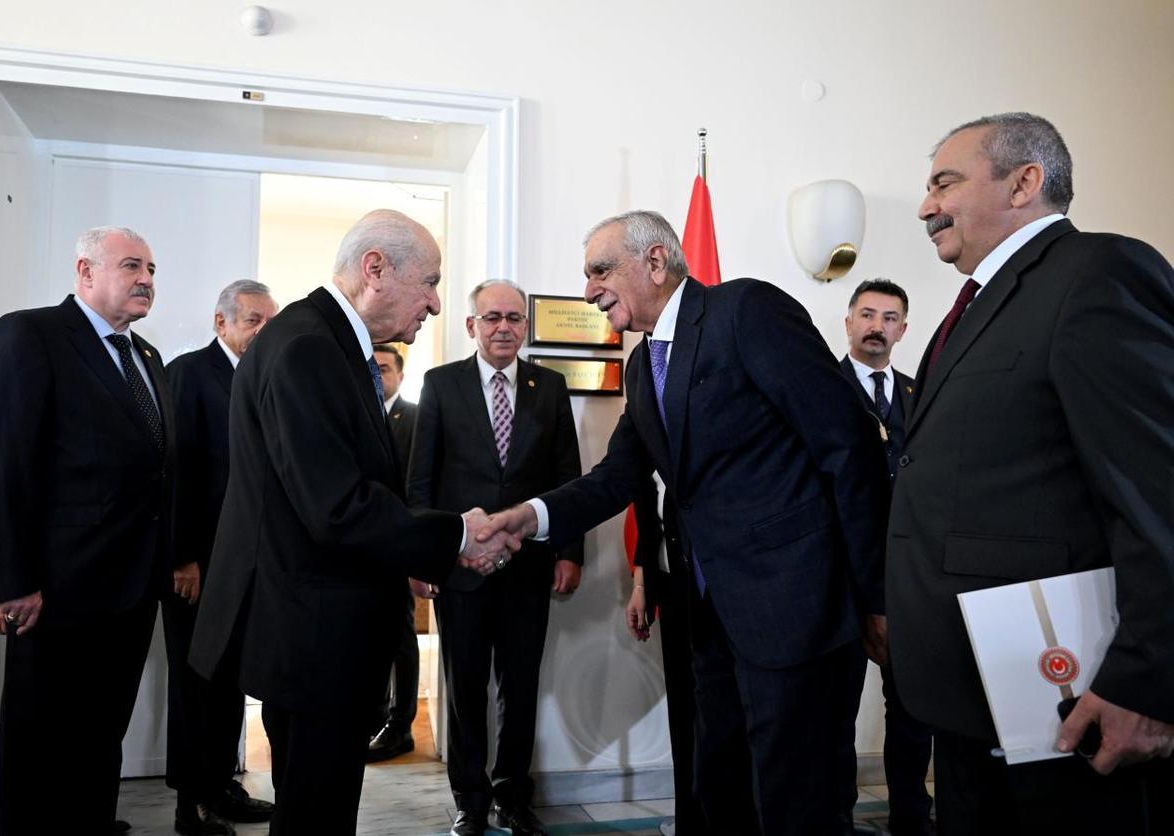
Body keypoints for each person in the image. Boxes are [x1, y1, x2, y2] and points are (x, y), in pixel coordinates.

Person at [480, 211, 890, 835]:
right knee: (718, 789)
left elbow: (847, 444)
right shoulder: (646, 367)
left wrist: (876, 595)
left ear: (654, 261)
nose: (588, 290)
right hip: (709, 618)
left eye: (599, 269)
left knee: (794, 799)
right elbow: (616, 478)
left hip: (794, 610)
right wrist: (527, 517)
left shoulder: (744, 310)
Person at [187, 209, 519, 836]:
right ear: (376, 269)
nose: (436, 304)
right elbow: (336, 507)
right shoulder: (309, 346)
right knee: (317, 817)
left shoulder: (320, 342)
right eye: (429, 282)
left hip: (316, 632)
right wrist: (454, 536)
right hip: (312, 637)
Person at [889, 112, 1174, 834]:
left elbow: (1157, 491)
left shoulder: (1099, 274)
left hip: (1074, 701)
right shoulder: (977, 306)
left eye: (944, 182)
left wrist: (1148, 684)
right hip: (973, 694)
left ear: (1024, 182)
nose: (927, 206)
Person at [0, 226, 173, 835]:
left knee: (98, 739)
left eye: (153, 270)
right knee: (39, 745)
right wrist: (13, 582)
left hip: (132, 590)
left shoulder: (146, 356)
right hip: (54, 593)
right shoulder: (29, 335)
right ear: (85, 273)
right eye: (132, 265)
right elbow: (1, 465)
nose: (146, 280)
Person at [407, 279, 583, 836]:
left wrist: (569, 551)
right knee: (464, 688)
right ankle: (470, 799)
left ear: (525, 326)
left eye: (513, 318)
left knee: (521, 685)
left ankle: (512, 795)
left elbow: (566, 478)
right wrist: (423, 557)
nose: (503, 327)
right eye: (492, 318)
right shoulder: (440, 384)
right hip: (461, 569)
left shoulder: (549, 387)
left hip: (530, 567)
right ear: (471, 326)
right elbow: (421, 481)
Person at [164, 279, 278, 834]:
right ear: (222, 323)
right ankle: (193, 802)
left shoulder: (265, 379)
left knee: (231, 679)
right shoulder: (190, 373)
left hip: (246, 563)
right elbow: (176, 469)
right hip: (199, 565)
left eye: (268, 323)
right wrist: (184, 557)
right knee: (195, 682)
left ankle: (223, 783)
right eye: (253, 320)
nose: (263, 332)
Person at [836, 279, 934, 835]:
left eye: (890, 317)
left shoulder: (921, 394)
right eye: (868, 314)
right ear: (848, 322)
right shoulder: (820, 387)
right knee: (837, 714)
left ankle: (911, 819)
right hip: (841, 577)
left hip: (909, 578)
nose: (878, 326)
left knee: (912, 712)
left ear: (903, 329)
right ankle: (837, 820)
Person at [624, 472, 710, 836]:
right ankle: (689, 820)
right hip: (671, 583)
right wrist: (641, 584)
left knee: (723, 716)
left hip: (723, 585)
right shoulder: (649, 418)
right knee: (683, 712)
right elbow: (646, 503)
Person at [367, 342, 421, 762]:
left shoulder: (416, 417)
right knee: (370, 634)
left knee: (402, 637)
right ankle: (374, 716)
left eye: (385, 368)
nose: (378, 375)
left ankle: (401, 724)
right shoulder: (358, 413)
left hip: (402, 542)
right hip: (364, 547)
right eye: (372, 367)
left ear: (400, 375)